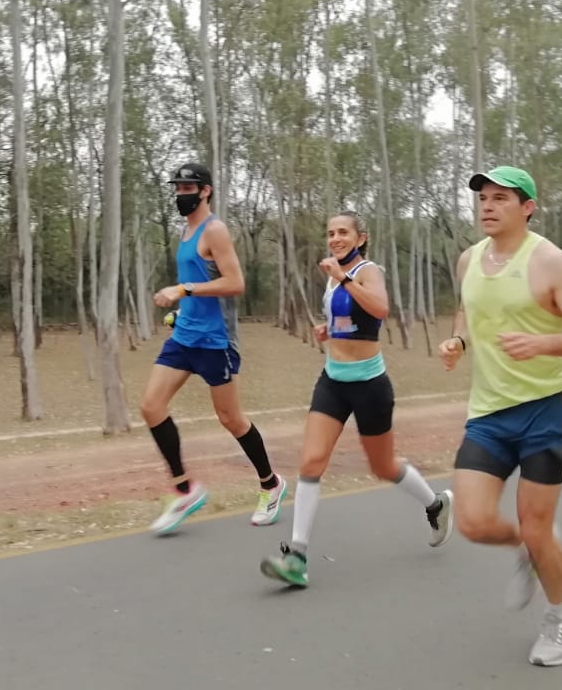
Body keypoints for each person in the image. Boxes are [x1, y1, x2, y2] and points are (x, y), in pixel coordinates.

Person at [438, 166, 562, 667]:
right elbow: (470, 309)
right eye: (483, 198)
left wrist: (545, 342)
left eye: (501, 198)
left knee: (535, 524)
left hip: (545, 409)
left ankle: (559, 622)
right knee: (472, 522)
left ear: (527, 207)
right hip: (488, 412)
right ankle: (534, 548)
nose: (487, 206)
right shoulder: (469, 259)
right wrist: (459, 340)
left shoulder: (552, 263)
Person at [260, 211, 454, 588]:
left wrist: (342, 276)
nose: (335, 238)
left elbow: (380, 310)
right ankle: (297, 556)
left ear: (360, 238)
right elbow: (348, 321)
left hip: (369, 384)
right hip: (333, 380)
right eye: (330, 232)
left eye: (343, 232)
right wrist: (326, 330)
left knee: (383, 467)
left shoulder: (366, 271)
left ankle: (435, 504)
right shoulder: (336, 277)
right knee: (312, 462)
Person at [141, 162, 287, 535]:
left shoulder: (215, 230)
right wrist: (181, 309)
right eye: (177, 188)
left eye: (188, 187)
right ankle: (185, 489)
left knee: (231, 419)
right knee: (151, 407)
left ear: (205, 190)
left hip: (215, 342)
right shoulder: (187, 231)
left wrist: (184, 290)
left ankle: (271, 484)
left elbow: (235, 282)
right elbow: (195, 284)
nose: (180, 194)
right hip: (184, 336)